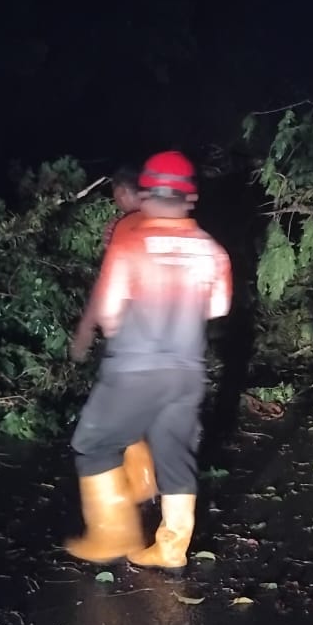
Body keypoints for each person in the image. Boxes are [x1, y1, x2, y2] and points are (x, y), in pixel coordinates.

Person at [64, 150, 233, 573]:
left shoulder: (130, 239)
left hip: (136, 368)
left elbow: (108, 308)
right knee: (175, 457)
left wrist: (100, 333)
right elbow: (217, 308)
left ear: (147, 193)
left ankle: (111, 534)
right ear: (190, 198)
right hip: (187, 371)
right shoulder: (212, 250)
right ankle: (172, 548)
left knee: (94, 444)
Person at [72, 162, 155, 504]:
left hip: (131, 331)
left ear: (123, 192)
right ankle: (146, 482)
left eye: (116, 196)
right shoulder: (169, 223)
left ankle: (114, 519)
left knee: (96, 432)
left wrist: (85, 329)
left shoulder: (127, 225)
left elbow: (110, 282)